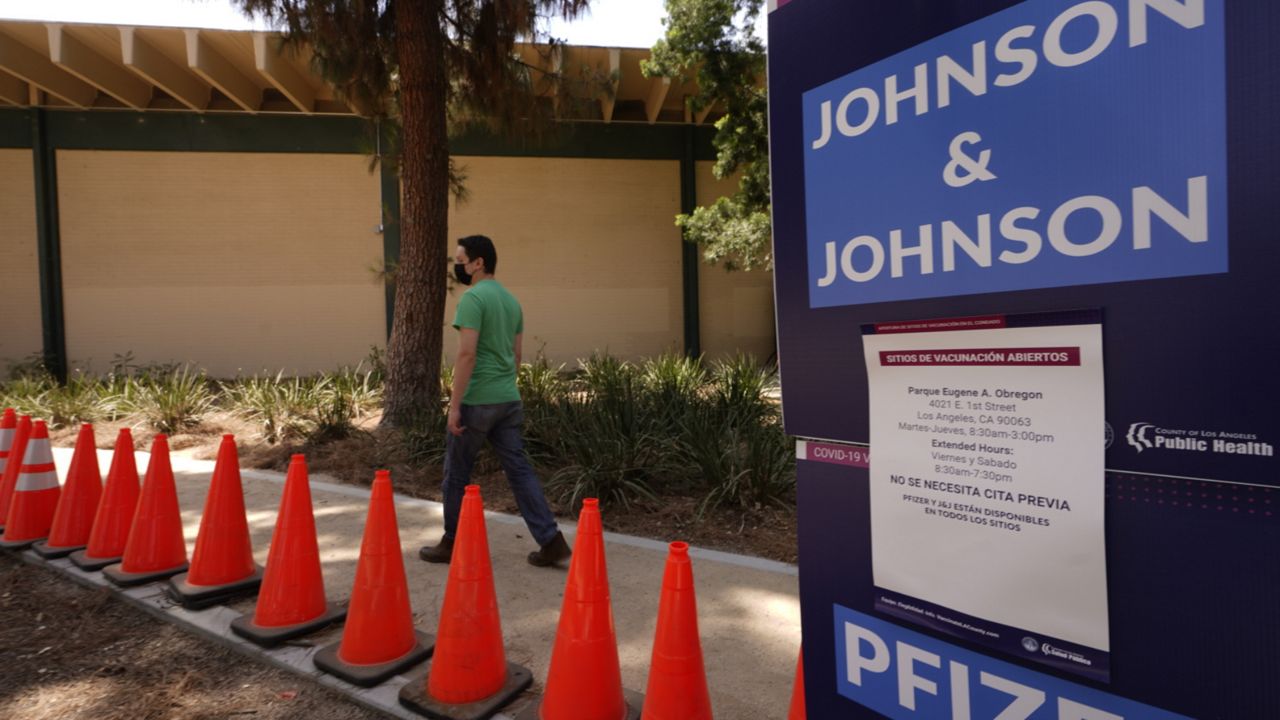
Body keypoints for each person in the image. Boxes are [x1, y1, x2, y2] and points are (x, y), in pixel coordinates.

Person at [419, 234, 571, 567]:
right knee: (519, 470)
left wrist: (455, 406)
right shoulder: (511, 301)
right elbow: (516, 356)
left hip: (478, 400)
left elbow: (466, 354)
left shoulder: (473, 299)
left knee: (456, 473)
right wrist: (504, 388)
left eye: (461, 261)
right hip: (507, 398)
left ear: (478, 263)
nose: (458, 267)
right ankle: (551, 540)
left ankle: (451, 542)